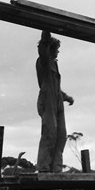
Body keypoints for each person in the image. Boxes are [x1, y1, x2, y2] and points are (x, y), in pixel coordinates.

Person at [35, 30, 74, 172]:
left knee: (61, 135)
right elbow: (43, 44)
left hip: (56, 99)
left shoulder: (54, 64)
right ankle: (44, 166)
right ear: (50, 49)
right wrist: (46, 29)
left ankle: (56, 167)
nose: (58, 52)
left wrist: (66, 97)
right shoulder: (44, 61)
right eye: (57, 49)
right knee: (49, 133)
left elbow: (55, 86)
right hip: (47, 99)